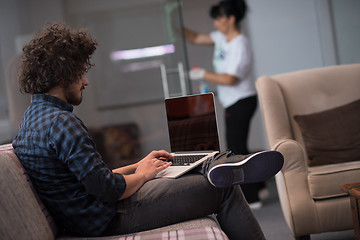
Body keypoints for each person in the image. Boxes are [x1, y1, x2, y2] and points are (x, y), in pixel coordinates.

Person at [12, 22, 283, 240]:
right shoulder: (62, 123)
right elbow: (107, 189)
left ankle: (216, 163)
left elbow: (89, 180)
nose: (85, 81)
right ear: (62, 75)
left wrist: (138, 166)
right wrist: (142, 176)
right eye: (80, 73)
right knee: (222, 188)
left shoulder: (30, 121)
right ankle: (223, 165)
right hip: (109, 217)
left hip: (90, 215)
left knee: (171, 167)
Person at [183, 0, 265, 209]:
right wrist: (172, 22)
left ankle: (253, 197)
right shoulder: (220, 37)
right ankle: (260, 186)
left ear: (231, 19)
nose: (215, 23)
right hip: (232, 101)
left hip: (242, 100)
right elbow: (194, 37)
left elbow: (230, 79)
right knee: (239, 146)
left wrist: (203, 74)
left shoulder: (240, 44)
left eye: (219, 18)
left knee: (236, 149)